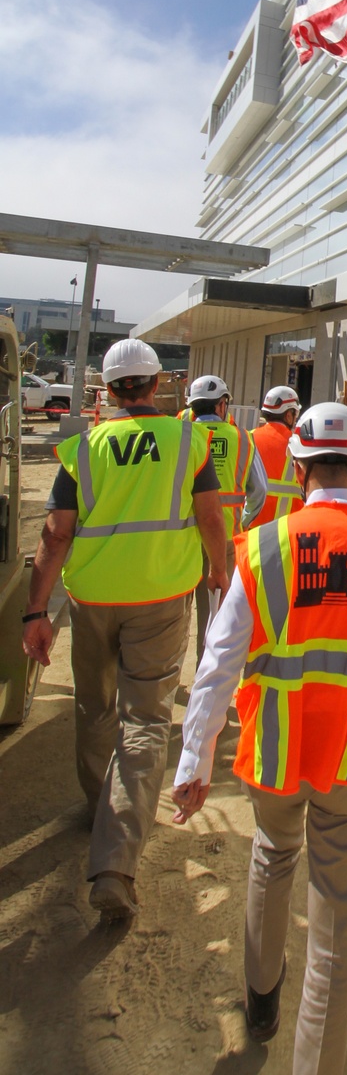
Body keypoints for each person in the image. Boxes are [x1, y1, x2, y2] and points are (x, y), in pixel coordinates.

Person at [171, 401, 347, 1075]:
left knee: (271, 854)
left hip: (278, 751)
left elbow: (220, 658)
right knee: (337, 935)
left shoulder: (263, 548)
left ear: (296, 466)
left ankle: (260, 1000)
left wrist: (195, 758)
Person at [21, 338, 228, 922]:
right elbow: (211, 518)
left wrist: (36, 613)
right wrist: (220, 575)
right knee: (146, 720)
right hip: (161, 599)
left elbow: (56, 535)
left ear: (107, 391)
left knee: (94, 707)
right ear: (158, 385)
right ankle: (115, 860)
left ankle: (100, 807)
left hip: (93, 601)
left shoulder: (81, 449)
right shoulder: (189, 441)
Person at [185, 374, 267, 662]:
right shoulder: (243, 439)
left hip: (182, 542)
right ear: (222, 405)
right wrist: (242, 521)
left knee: (174, 619)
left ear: (192, 408)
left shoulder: (180, 439)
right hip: (225, 542)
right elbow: (260, 491)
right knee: (216, 619)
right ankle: (205, 679)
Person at [250, 385, 303, 527]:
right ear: (288, 415)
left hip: (253, 525)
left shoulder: (249, 438)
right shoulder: (299, 443)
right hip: (288, 526)